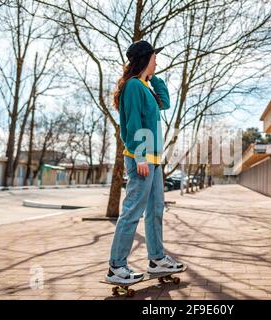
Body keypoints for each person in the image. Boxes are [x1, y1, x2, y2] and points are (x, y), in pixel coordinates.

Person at [106, 40, 184, 285]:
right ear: (145, 59)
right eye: (154, 57)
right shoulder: (132, 87)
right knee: (131, 213)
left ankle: (157, 259)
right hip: (141, 160)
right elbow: (131, 126)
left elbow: (166, 102)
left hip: (153, 160)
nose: (157, 61)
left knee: (155, 211)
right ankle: (116, 266)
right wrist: (139, 156)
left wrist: (153, 77)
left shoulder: (145, 86)